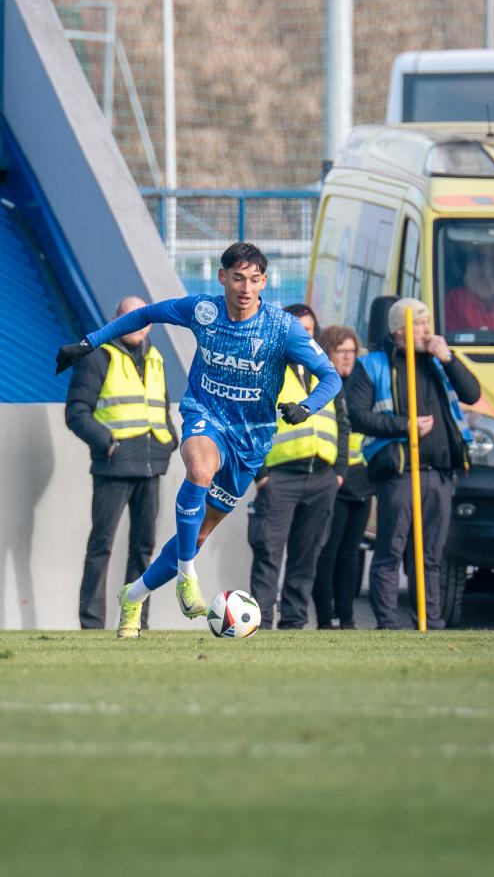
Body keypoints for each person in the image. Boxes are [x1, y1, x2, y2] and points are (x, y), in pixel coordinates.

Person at [56, 243, 342, 638]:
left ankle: (134, 595)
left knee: (199, 534)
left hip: (251, 440)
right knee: (200, 470)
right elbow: (143, 314)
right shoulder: (203, 311)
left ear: (264, 282)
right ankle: (187, 575)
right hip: (205, 415)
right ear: (222, 277)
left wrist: (306, 407)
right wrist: (88, 343)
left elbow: (331, 377)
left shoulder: (282, 327)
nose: (245, 288)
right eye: (238, 278)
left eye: (254, 279)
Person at [346, 297, 480, 630]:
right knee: (391, 550)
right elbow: (358, 415)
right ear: (399, 330)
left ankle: (430, 620)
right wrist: (404, 426)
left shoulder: (439, 361)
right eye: (419, 324)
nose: (426, 330)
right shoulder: (374, 364)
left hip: (439, 472)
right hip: (399, 472)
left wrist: (448, 358)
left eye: (427, 322)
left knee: (431, 555)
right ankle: (388, 623)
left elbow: (472, 394)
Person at [65, 295, 177, 629]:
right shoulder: (96, 356)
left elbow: (160, 407)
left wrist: (169, 441)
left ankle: (135, 620)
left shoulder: (156, 357)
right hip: (113, 467)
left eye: (142, 318)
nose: (136, 324)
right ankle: (91, 623)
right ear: (116, 319)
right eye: (129, 317)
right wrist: (108, 444)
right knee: (101, 545)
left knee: (144, 549)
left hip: (151, 466)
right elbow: (76, 412)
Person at [248, 305, 349, 629]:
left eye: (310, 330)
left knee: (307, 556)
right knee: (269, 553)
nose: (306, 335)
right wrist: (261, 476)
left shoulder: (324, 372)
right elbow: (249, 424)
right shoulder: (267, 369)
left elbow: (342, 424)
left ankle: (294, 623)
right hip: (280, 477)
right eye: (299, 329)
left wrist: (339, 472)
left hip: (322, 478)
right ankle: (261, 623)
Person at [312, 325, 372, 630]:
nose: (348, 357)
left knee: (351, 554)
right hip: (334, 480)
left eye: (352, 352)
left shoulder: (360, 385)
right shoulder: (325, 385)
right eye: (341, 351)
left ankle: (347, 618)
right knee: (328, 552)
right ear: (328, 352)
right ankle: (326, 617)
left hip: (361, 481)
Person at [445, 250, 494, 332]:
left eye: (491, 276)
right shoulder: (457, 299)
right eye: (480, 277)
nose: (486, 280)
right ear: (466, 279)